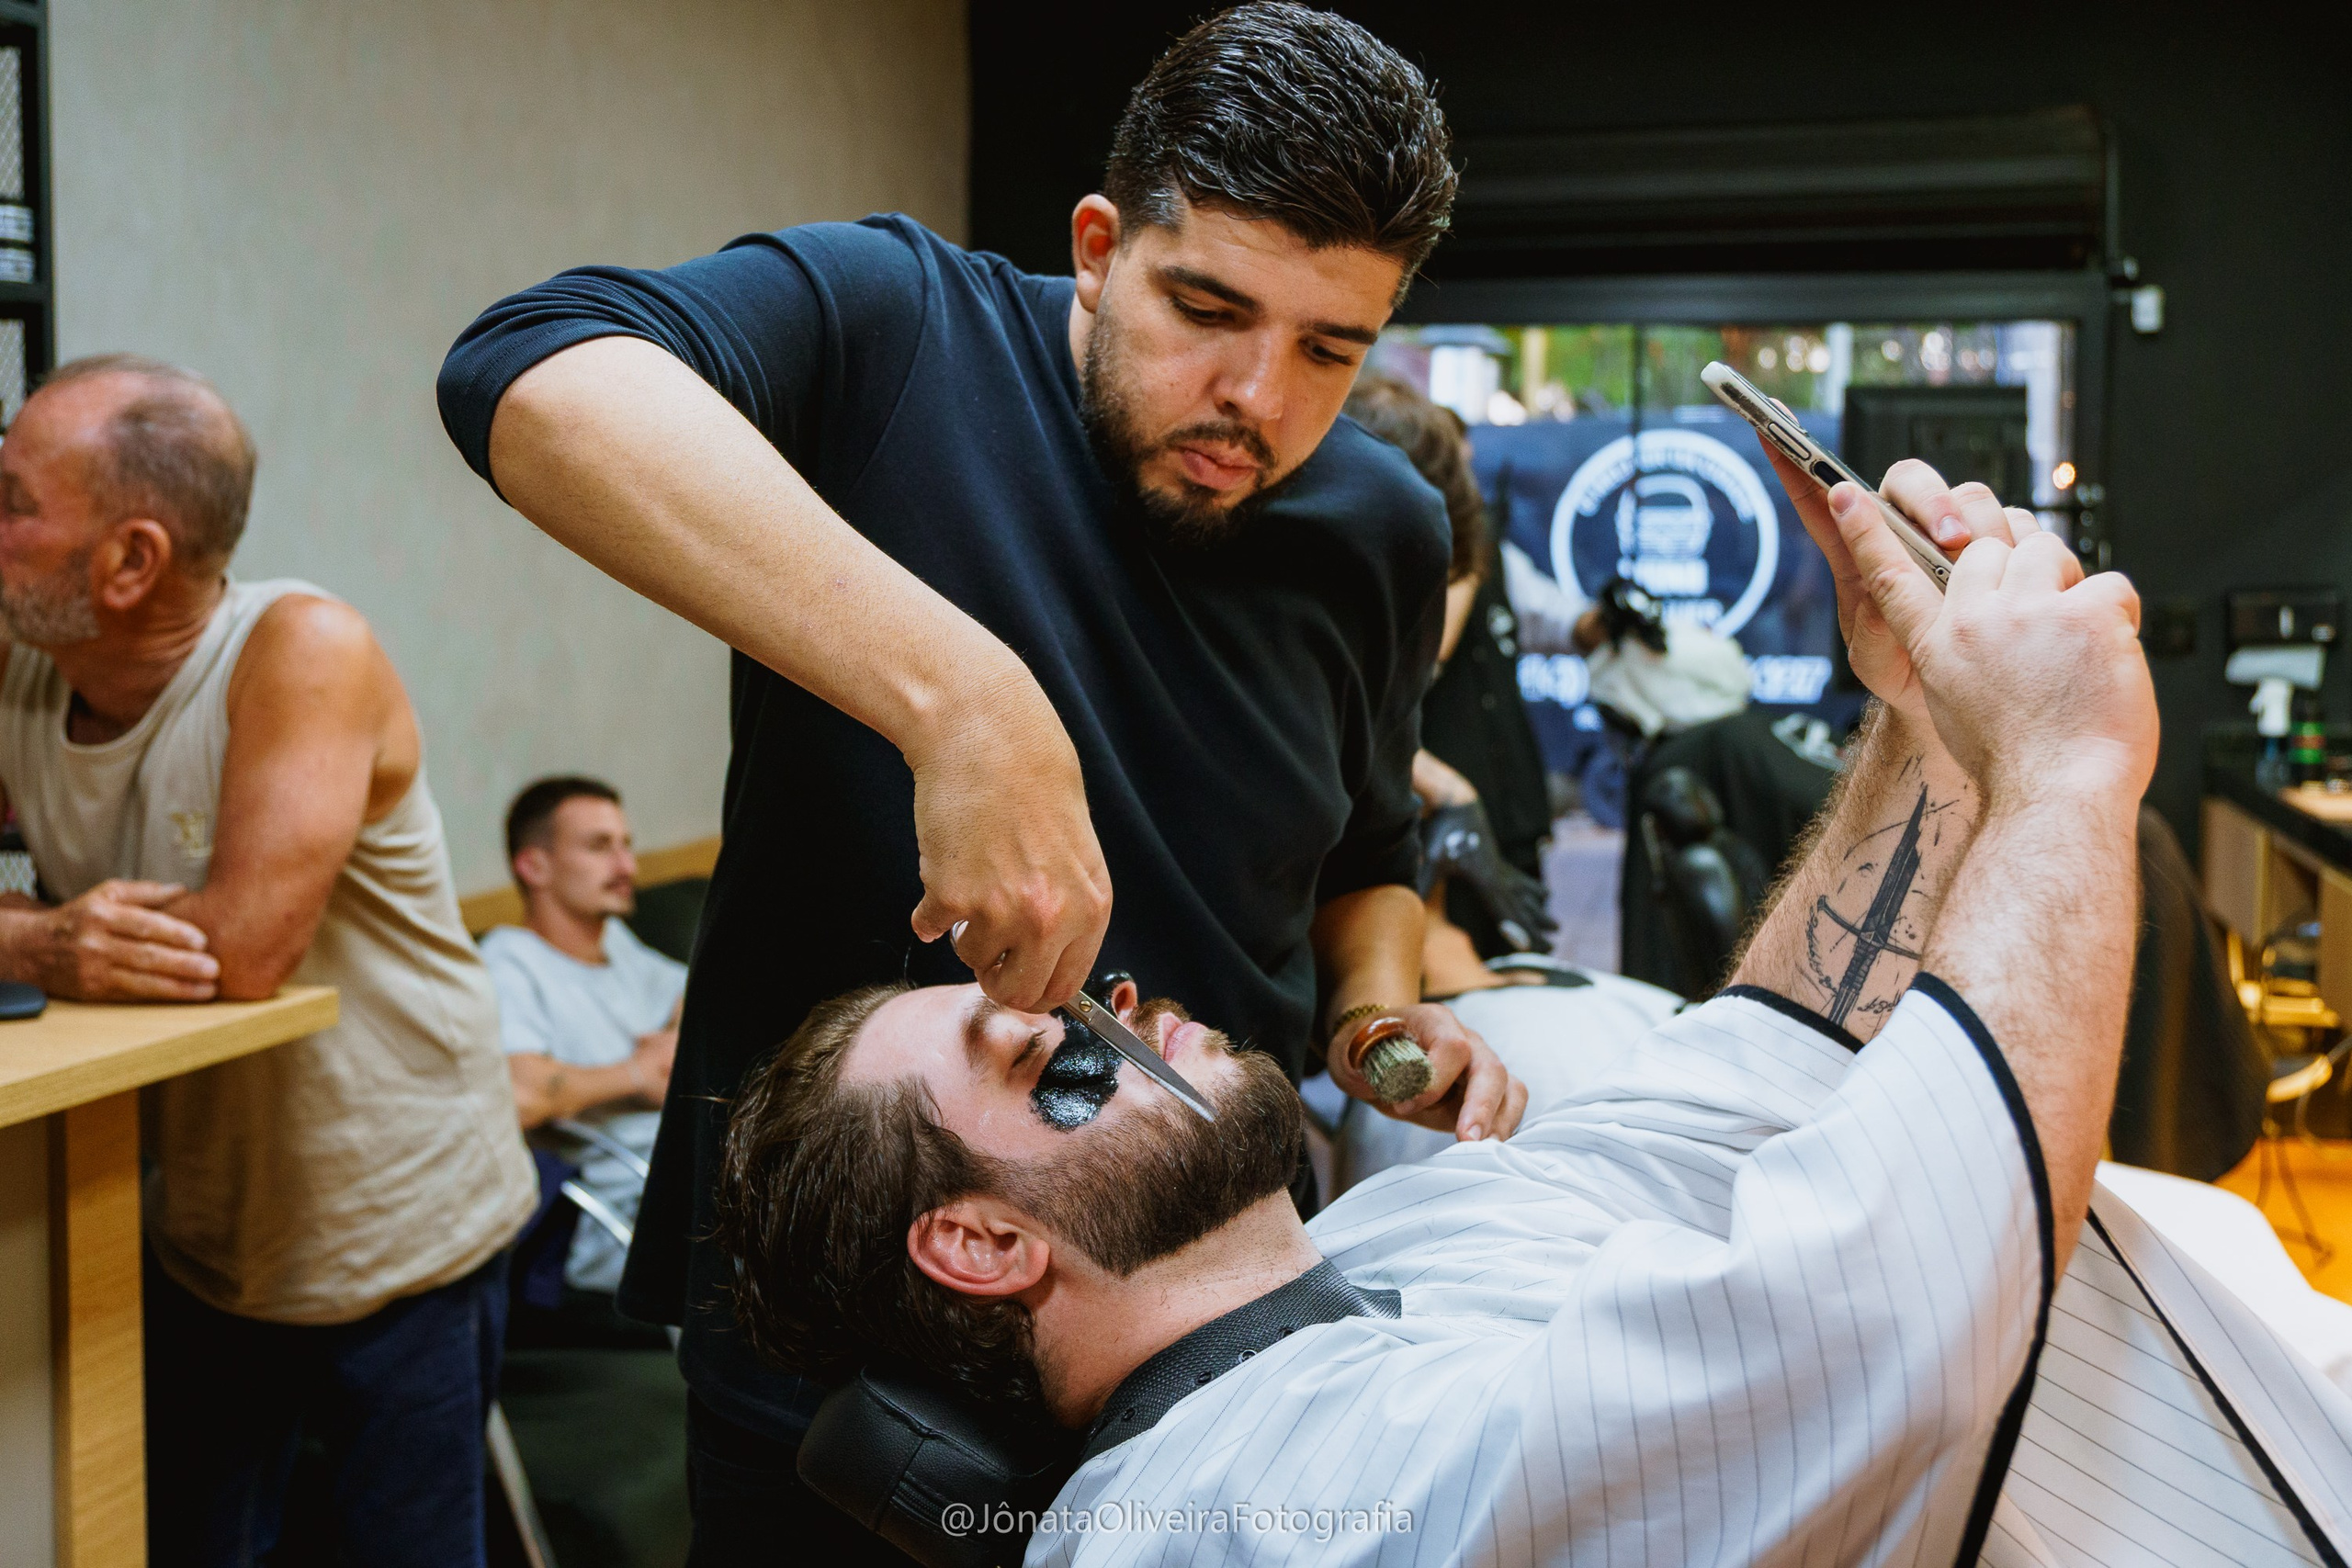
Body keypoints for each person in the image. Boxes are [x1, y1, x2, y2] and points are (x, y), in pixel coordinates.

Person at [705, 466, 2352, 1566]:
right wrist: (2061, 775)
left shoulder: (1395, 1253)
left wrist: (1921, 712)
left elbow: (1757, 1066)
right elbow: (1879, 1329)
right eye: (1037, 1045)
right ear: (981, 1249)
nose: (1118, 1004)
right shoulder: (1237, 1512)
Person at [435, 6, 1522, 1551]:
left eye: (1330, 349)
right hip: (849, 1318)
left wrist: (1377, 1016)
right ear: (1097, 244)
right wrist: (963, 698)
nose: (1258, 400)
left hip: (1206, 1307)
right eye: (1207, 307)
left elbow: (1367, 846)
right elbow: (528, 373)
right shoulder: (899, 329)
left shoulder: (1382, 527)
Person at [0, 355, 535, 1566]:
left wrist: (36, 932)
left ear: (130, 561)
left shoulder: (302, 647)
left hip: (401, 1228)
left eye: (14, 502)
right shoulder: (24, 665)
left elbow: (237, 950)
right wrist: (35, 934)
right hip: (206, 1228)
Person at [481, 776, 684, 1319]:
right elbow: (518, 1093)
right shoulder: (509, 962)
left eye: (626, 845)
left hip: (682, 1178)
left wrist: (677, 1039)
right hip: (612, 1210)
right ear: (535, 867)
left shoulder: (616, 945)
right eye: (599, 847)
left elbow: (699, 985)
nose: (626, 868)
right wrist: (637, 1076)